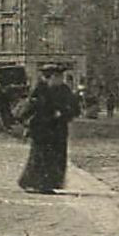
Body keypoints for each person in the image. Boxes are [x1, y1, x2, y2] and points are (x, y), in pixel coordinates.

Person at [17, 64, 81, 194]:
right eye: (57, 77)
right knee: (40, 156)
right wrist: (27, 121)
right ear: (49, 77)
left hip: (59, 129)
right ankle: (36, 183)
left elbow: (75, 108)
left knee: (56, 157)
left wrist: (64, 113)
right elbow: (30, 109)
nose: (60, 79)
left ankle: (51, 183)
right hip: (42, 129)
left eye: (60, 77)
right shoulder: (39, 90)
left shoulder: (64, 90)